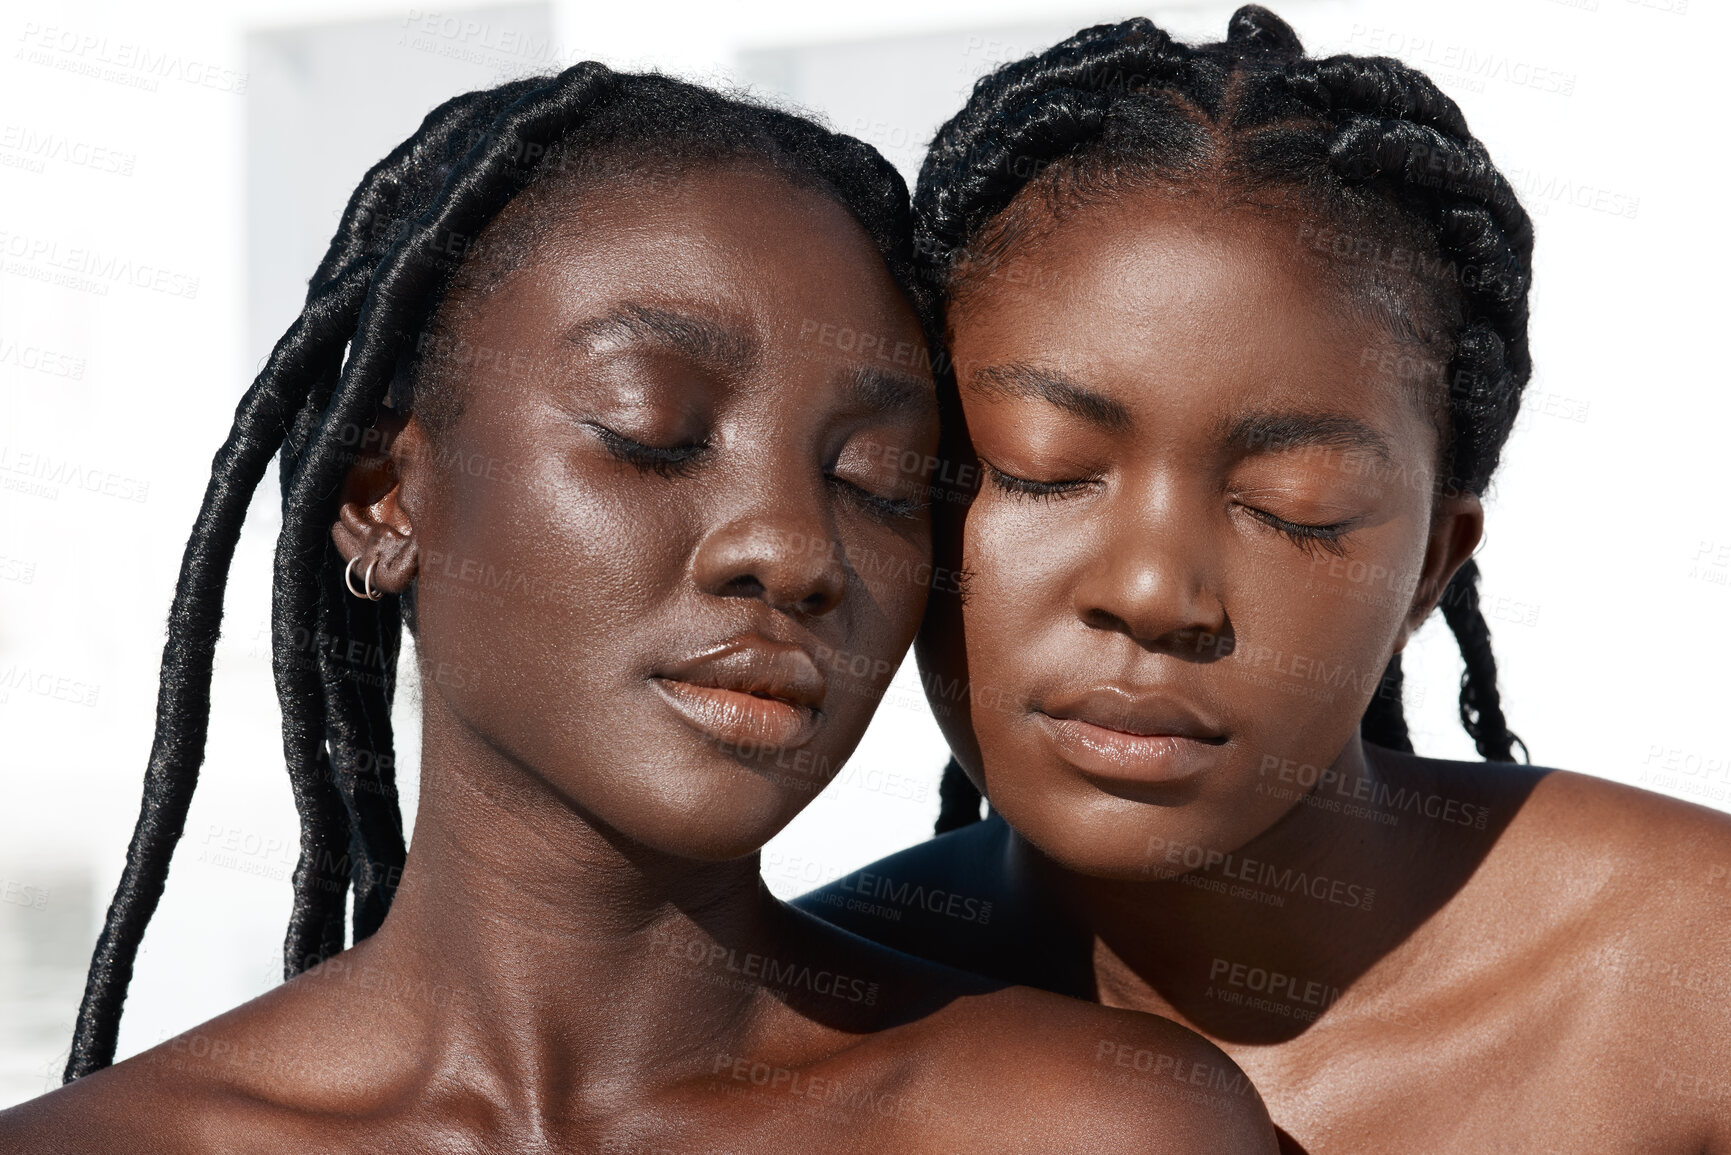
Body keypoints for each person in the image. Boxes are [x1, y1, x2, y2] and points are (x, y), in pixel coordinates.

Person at [0, 64, 1278, 1153]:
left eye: (876, 484)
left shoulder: (1081, 1128)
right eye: (650, 435)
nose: (791, 549)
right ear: (386, 496)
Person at [799, 9, 1731, 1153]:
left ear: (1432, 567)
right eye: (1040, 470)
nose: (1151, 592)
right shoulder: (797, 1035)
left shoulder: (1691, 979)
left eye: (1294, 506)